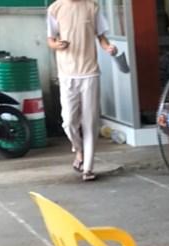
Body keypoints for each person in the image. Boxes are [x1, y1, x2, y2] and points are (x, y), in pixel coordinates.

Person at [46, 0, 117, 181]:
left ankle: (88, 168)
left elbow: (101, 36)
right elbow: (50, 40)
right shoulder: (55, 8)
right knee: (69, 121)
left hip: (90, 73)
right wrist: (57, 45)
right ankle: (79, 150)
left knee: (90, 122)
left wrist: (108, 47)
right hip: (67, 73)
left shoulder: (92, 7)